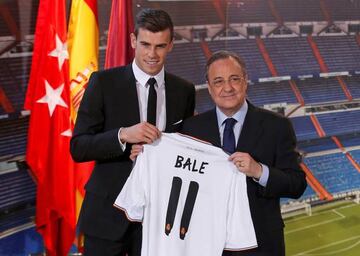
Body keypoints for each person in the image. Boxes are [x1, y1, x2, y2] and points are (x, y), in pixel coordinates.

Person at [70, 8, 195, 256]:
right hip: (107, 216)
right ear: (133, 40)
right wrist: (123, 135)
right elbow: (79, 147)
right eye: (145, 44)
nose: (152, 54)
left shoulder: (184, 91)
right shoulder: (102, 83)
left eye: (160, 46)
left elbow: (185, 147)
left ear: (170, 45)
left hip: (158, 218)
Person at [180, 50, 307, 256]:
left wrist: (259, 171)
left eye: (234, 79)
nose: (228, 88)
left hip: (261, 244)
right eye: (219, 81)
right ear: (210, 88)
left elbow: (297, 184)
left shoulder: (277, 126)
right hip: (208, 244)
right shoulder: (192, 129)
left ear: (245, 81)